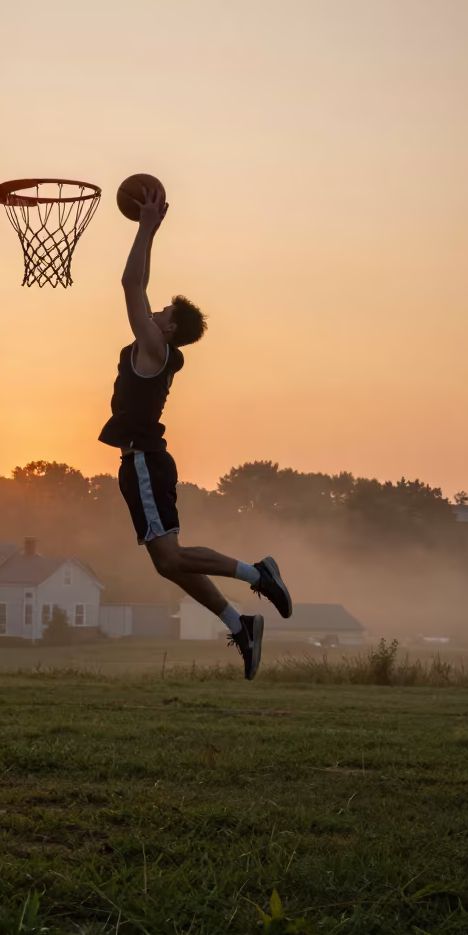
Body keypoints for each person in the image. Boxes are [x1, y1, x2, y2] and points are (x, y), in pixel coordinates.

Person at [98, 187, 292, 680]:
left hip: (144, 460)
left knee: (174, 557)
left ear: (166, 330)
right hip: (142, 461)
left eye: (161, 313)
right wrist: (152, 232)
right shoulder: (162, 351)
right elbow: (139, 282)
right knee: (169, 564)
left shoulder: (155, 351)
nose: (155, 311)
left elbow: (128, 284)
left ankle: (257, 574)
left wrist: (144, 228)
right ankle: (241, 624)